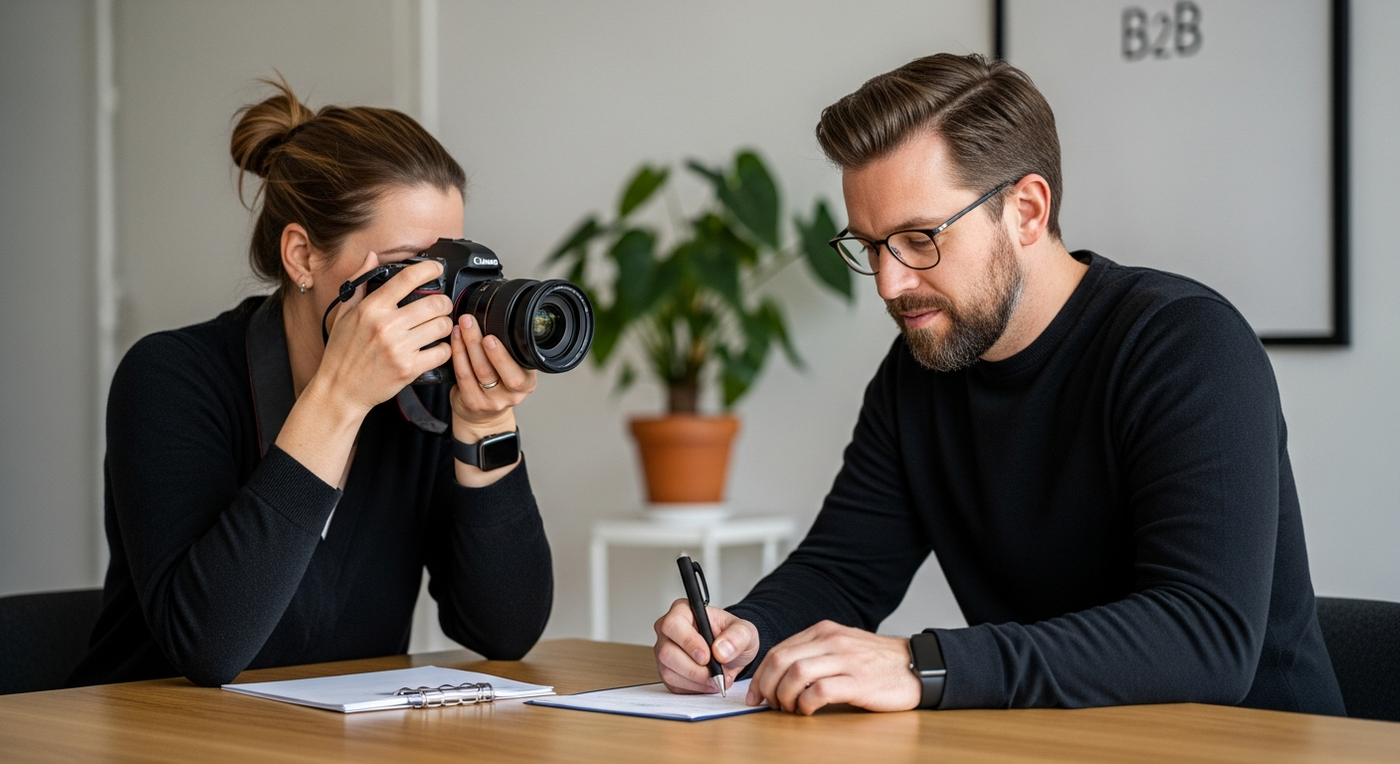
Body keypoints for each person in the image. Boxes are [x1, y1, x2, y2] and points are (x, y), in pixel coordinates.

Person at [653, 53, 1345, 717]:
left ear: (1027, 211)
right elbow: (843, 571)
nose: (890, 283)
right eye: (870, 246)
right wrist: (744, 632)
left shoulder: (1184, 344)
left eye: (919, 238)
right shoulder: (919, 372)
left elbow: (1204, 637)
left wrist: (924, 666)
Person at [68, 80, 552, 688]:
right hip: (158, 727)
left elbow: (506, 632)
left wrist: (485, 426)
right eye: (409, 267)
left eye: (448, 265)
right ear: (301, 256)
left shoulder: (424, 398)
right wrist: (340, 401)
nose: (437, 299)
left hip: (329, 735)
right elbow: (209, 647)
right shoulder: (172, 378)